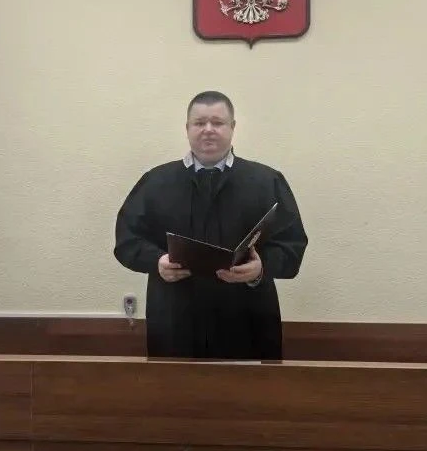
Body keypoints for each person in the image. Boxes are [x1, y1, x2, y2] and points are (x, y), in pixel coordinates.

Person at [113, 91, 308, 360]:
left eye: (217, 122)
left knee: (250, 387)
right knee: (176, 387)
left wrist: (261, 268)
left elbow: (292, 244)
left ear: (233, 127)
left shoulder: (267, 182)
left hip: (247, 321)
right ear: (187, 128)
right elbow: (127, 240)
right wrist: (156, 261)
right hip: (174, 321)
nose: (208, 130)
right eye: (199, 122)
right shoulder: (155, 182)